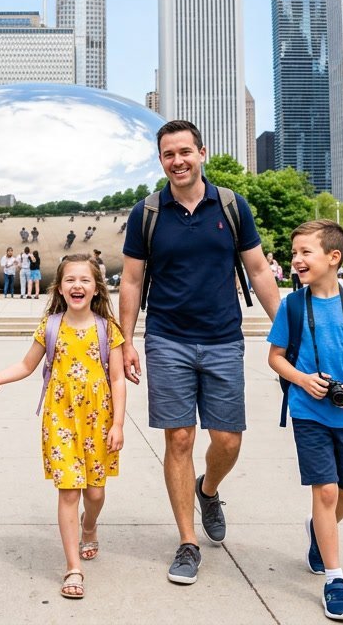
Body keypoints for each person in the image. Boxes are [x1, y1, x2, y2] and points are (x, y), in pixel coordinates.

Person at [118, 120, 281, 585]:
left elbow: (258, 270)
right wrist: (126, 341)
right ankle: (187, 542)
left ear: (202, 152)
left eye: (185, 151)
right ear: (161, 160)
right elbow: (131, 280)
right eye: (169, 154)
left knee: (228, 440)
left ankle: (208, 490)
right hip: (167, 339)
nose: (178, 161)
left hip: (224, 338)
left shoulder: (231, 205)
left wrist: (289, 331)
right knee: (180, 439)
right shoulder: (146, 213)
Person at [266, 220, 343, 622]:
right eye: (294, 252)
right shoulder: (292, 305)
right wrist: (302, 380)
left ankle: (319, 532)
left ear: (333, 258)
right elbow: (275, 356)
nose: (296, 259)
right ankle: (335, 580)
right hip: (308, 412)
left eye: (305, 252)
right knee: (328, 492)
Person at [0, 254, 127, 599]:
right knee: (68, 491)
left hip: (99, 422)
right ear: (60, 287)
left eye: (84, 280)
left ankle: (90, 525)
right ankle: (73, 567)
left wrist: (119, 425)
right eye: (70, 280)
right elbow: (25, 365)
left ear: (96, 288)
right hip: (60, 421)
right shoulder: (50, 326)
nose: (77, 285)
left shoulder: (107, 329)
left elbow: (118, 379)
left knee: (94, 493)